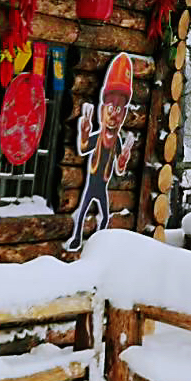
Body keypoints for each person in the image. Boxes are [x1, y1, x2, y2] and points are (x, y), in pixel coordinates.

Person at [65, 51, 136, 252]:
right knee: (82, 212)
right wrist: (85, 131)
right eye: (111, 107)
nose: (114, 113)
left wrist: (123, 158)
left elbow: (119, 169)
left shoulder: (118, 141)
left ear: (124, 114)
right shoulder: (99, 135)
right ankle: (77, 238)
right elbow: (83, 148)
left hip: (102, 187)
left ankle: (99, 245)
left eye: (120, 109)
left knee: (104, 216)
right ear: (102, 109)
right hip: (92, 183)